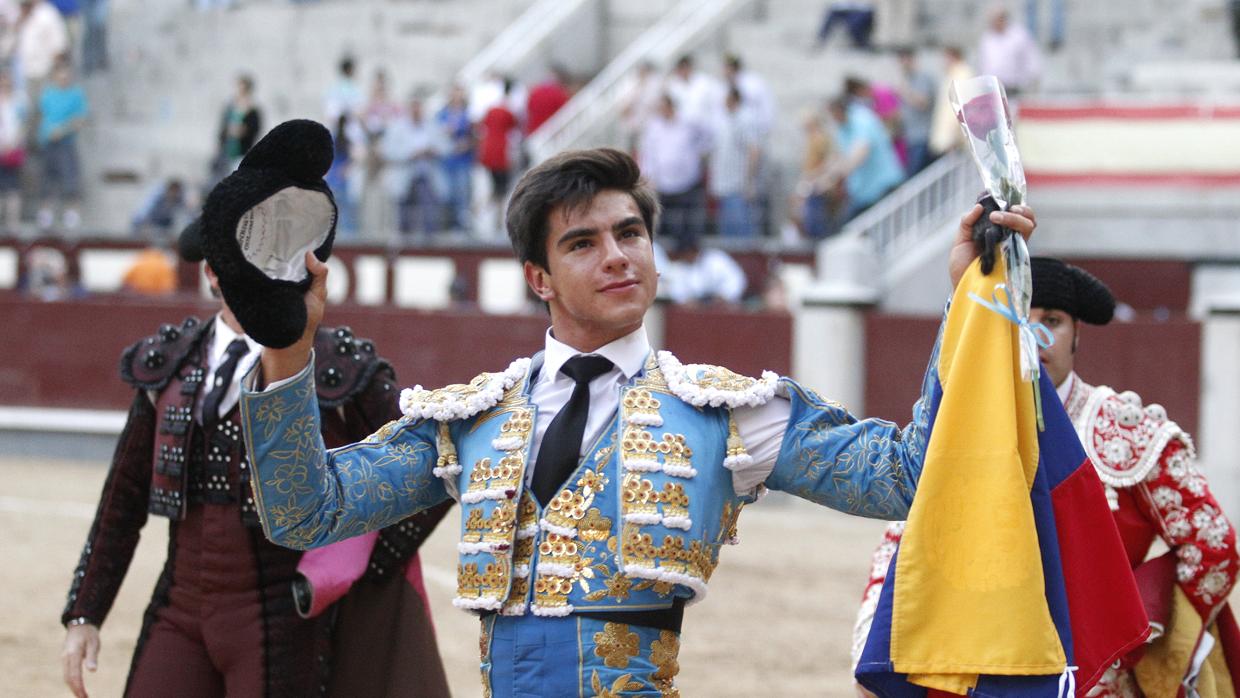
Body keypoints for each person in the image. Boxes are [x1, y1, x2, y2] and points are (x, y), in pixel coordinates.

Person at [237, 147, 1036, 695]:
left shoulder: (726, 412)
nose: (618, 255)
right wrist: (286, 352)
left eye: (631, 233)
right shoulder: (474, 418)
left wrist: (967, 301)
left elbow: (903, 477)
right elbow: (307, 512)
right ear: (538, 279)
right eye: (583, 243)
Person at [60, 228, 452, 698]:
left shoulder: (336, 364)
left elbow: (432, 461)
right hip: (179, 609)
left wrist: (363, 567)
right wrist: (85, 613)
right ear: (212, 274)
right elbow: (122, 499)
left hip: (287, 617)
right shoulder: (169, 362)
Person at [851, 257, 1240, 697]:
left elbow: (1213, 547)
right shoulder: (957, 431)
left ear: (1077, 335)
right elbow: (903, 547)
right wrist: (873, 648)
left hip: (1096, 682)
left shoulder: (1128, 430)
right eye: (1018, 319)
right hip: (982, 669)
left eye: (1051, 321)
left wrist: (1138, 627)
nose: (1032, 337)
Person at [639, 94, 710, 249]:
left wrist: (699, 154)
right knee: (665, 220)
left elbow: (706, 135)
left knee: (687, 221)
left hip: (686, 180)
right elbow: (648, 154)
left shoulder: (688, 123)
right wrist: (648, 177)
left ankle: (688, 248)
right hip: (664, 182)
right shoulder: (653, 127)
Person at [827, 93, 904, 222]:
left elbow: (860, 152)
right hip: (862, 192)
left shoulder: (862, 120)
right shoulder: (841, 129)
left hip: (882, 187)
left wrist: (836, 175)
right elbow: (838, 156)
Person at [380, 93, 446, 238]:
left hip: (425, 174)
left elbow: (444, 147)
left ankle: (429, 244)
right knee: (404, 214)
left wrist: (432, 151)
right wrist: (410, 154)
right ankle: (405, 243)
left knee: (429, 211)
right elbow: (387, 151)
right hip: (405, 174)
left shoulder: (431, 126)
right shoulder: (397, 127)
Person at [37, 59, 87, 232]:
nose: (64, 76)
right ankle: (46, 215)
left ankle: (71, 215)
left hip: (65, 143)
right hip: (48, 142)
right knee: (47, 180)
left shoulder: (76, 94)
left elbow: (80, 120)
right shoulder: (48, 94)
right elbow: (42, 115)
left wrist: (63, 130)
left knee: (70, 179)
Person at [709, 87, 763, 238]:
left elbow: (754, 150)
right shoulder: (725, 119)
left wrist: (750, 181)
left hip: (738, 184)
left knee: (741, 230)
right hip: (725, 183)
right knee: (727, 229)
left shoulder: (746, 119)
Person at [977, 4, 1043, 97]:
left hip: (1015, 89)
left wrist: (1031, 81)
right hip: (992, 90)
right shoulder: (987, 37)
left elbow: (1032, 59)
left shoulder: (1019, 35)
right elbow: (983, 63)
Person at [436, 84, 475, 232]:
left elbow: (475, 136)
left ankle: (461, 227)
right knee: (447, 195)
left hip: (462, 161)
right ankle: (447, 226)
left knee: (462, 195)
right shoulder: (442, 115)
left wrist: (467, 145)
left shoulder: (468, 114)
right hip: (446, 161)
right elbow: (437, 134)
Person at [664, 237, 747, 305]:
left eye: (688, 252)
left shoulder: (716, 259)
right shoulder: (678, 268)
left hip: (722, 305)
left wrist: (725, 296)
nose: (686, 256)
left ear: (695, 250)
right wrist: (686, 301)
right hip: (695, 309)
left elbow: (736, 280)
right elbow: (676, 292)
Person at [895, 47, 935, 176]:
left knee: (915, 174)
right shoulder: (906, 80)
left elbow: (923, 103)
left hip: (922, 135)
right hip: (910, 136)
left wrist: (906, 91)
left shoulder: (923, 78)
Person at [928, 45, 974, 158]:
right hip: (951, 142)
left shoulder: (963, 75)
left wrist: (954, 138)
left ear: (952, 56)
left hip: (956, 144)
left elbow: (960, 109)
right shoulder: (951, 75)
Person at [214, 74, 262, 181]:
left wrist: (242, 131)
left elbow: (254, 129)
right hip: (227, 152)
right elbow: (222, 128)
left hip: (242, 152)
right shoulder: (230, 108)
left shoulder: (253, 110)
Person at [0, 69, 26, 230]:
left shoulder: (17, 102)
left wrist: (13, 143)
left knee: (13, 187)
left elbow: (22, 126)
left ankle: (12, 223)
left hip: (12, 149)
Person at [525, 64, 571, 135]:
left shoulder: (534, 92)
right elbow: (567, 111)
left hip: (536, 132)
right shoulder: (558, 93)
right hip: (553, 131)